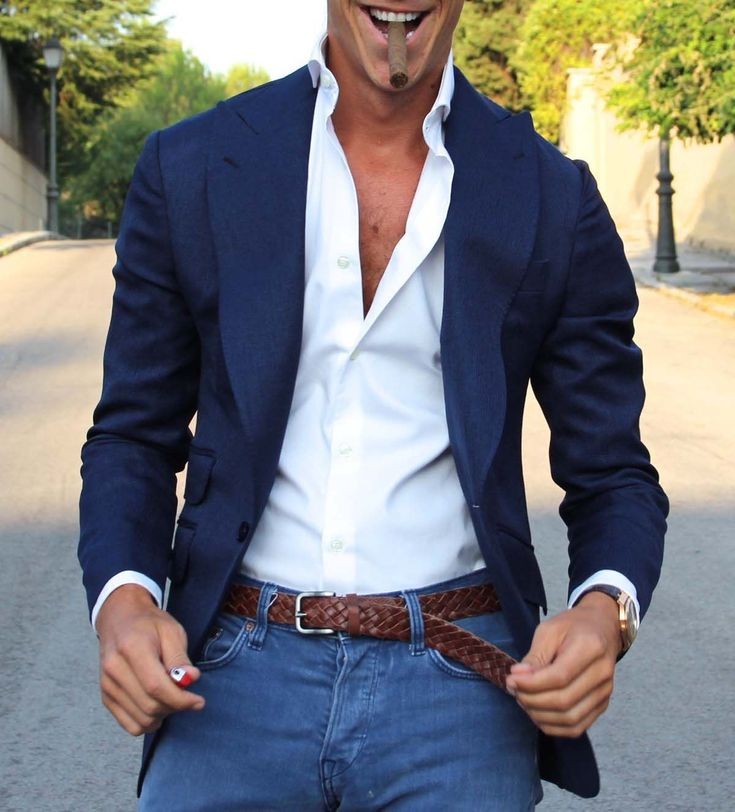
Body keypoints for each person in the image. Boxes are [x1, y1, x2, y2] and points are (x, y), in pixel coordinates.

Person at [79, 1, 668, 809]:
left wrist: (605, 612)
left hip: (461, 680)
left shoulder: (551, 195)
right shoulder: (191, 166)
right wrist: (124, 601)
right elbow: (132, 436)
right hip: (227, 672)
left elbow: (613, 473)